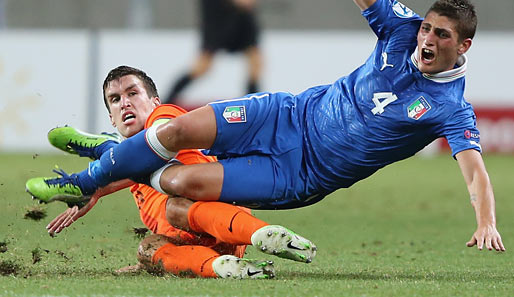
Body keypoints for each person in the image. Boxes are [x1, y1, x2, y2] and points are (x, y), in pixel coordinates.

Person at [27, 0, 505, 252]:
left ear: (462, 47)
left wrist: (486, 222)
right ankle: (83, 179)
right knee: (174, 132)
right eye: (427, 28)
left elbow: (476, 172)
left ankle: (109, 155)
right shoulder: (402, 29)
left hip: (302, 174)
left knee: (180, 181)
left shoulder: (451, 109)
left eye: (441, 35)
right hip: (284, 114)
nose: (426, 37)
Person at [33, 66, 316, 279]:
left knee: (174, 207)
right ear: (111, 117)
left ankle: (266, 234)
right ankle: (224, 268)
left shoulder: (165, 119)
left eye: (133, 93)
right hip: (201, 241)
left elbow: (147, 153)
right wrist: (96, 191)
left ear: (154, 102)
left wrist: (94, 181)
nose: (125, 103)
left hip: (221, 219)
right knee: (147, 248)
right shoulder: (130, 163)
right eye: (115, 99)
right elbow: (131, 166)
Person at [164, 0, 262, 104]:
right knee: (201, 67)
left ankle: (253, 106)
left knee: (255, 62)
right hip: (217, 18)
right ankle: (167, 102)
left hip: (242, 19)